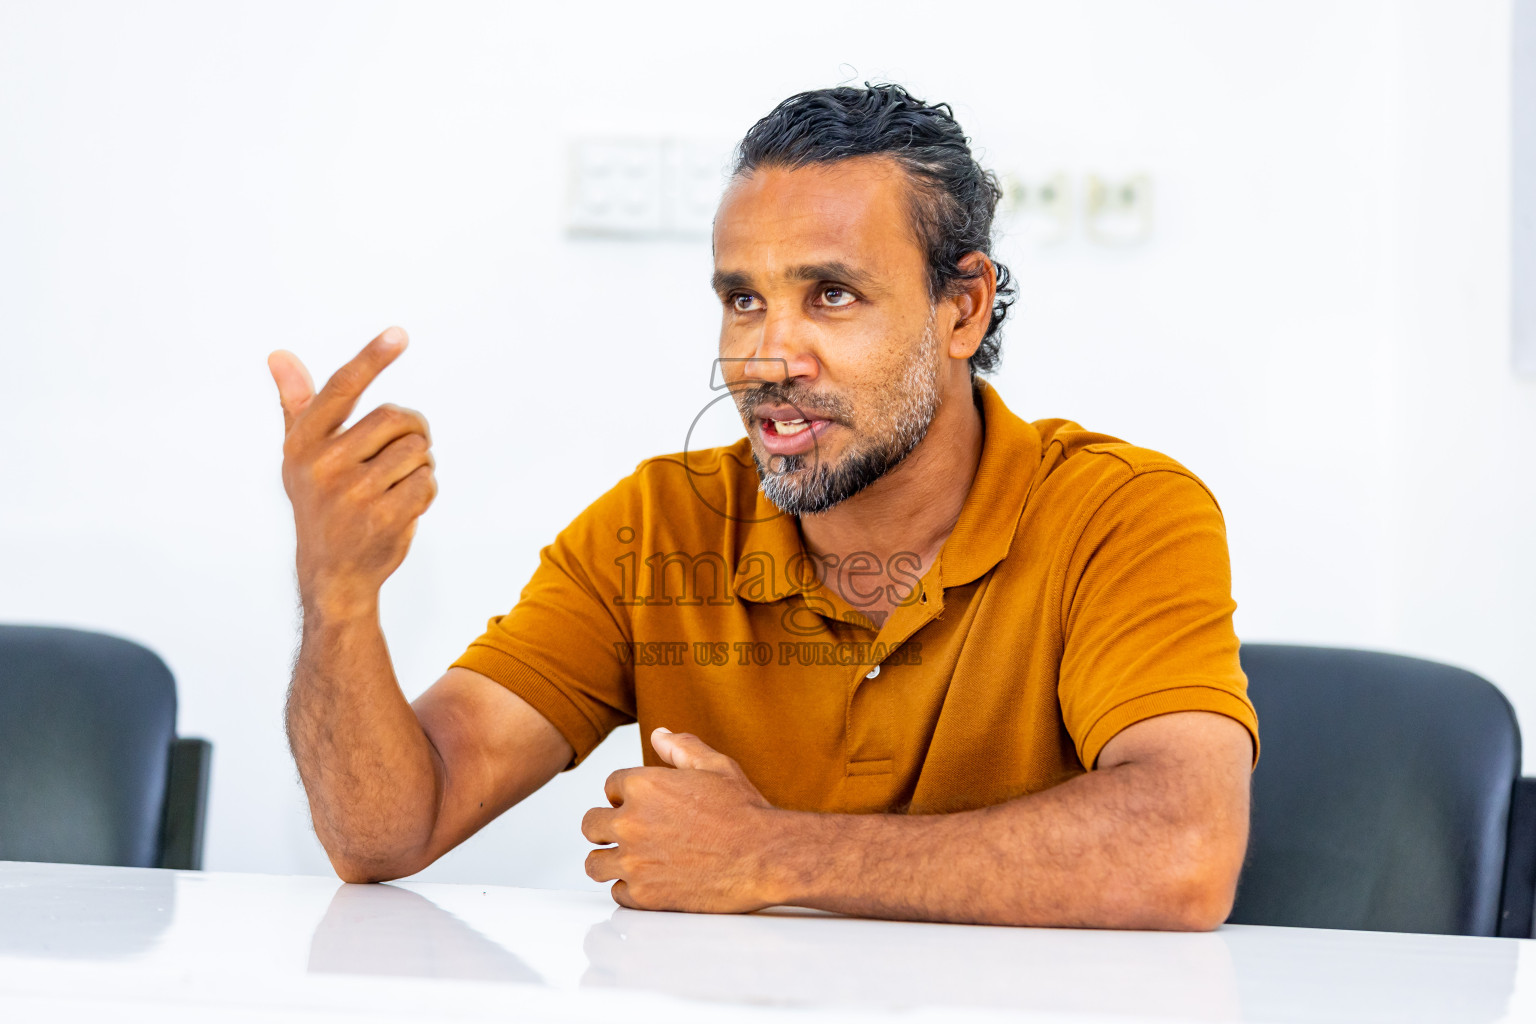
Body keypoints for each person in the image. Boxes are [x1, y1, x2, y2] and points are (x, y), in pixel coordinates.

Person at [268, 83, 1258, 930]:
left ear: (962, 308)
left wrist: (772, 855)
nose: (765, 357)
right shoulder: (655, 525)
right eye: (744, 299)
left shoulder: (1123, 512)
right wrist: (337, 592)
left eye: (830, 295)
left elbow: (1184, 847)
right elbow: (385, 829)